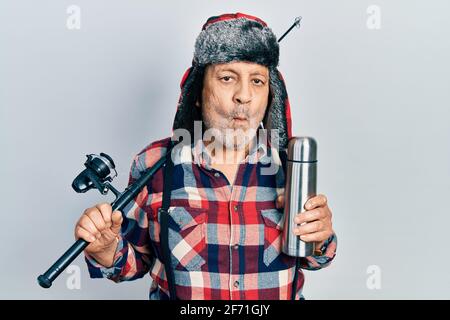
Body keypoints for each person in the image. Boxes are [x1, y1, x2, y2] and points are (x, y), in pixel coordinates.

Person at [75, 12, 337, 300]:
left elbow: (314, 259)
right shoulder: (154, 164)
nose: (244, 96)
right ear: (197, 92)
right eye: (227, 78)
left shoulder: (290, 165)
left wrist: (321, 237)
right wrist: (105, 249)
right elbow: (136, 261)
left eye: (258, 81)